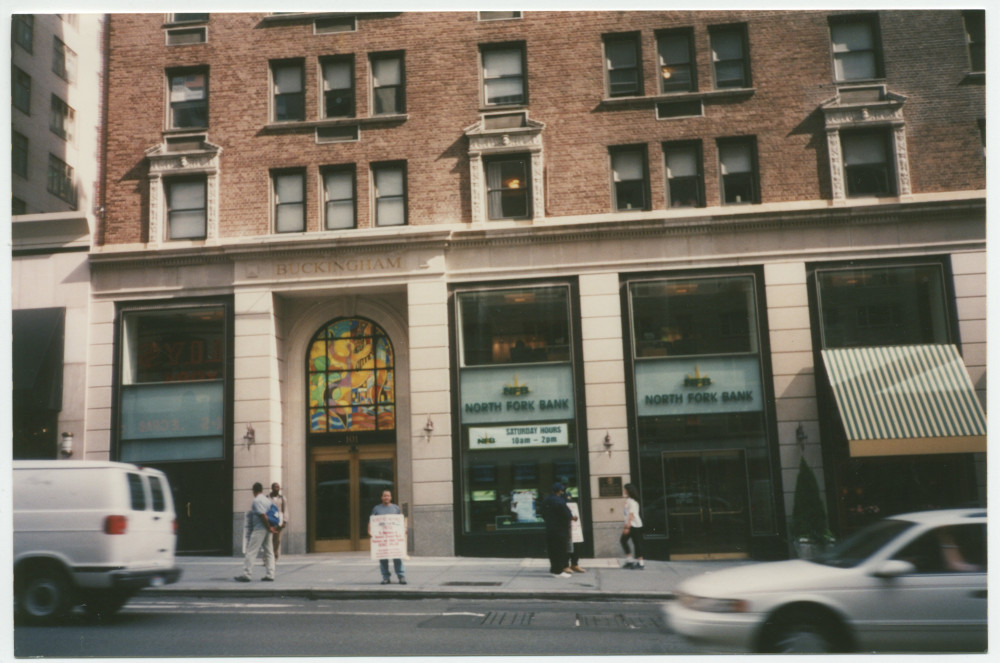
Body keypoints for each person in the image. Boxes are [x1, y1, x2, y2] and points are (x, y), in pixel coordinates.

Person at [235, 482, 277, 582]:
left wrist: (268, 527)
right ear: (261, 490)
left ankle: (247, 574)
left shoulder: (257, 501)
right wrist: (270, 528)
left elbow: (263, 516)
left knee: (251, 551)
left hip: (259, 529)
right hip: (267, 529)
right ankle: (270, 574)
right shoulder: (267, 500)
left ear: (254, 490)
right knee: (269, 552)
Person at [369, 489, 406, 585]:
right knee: (383, 557)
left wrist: (404, 529)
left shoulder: (396, 508)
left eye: (388, 496)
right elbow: (372, 521)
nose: (386, 497)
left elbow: (401, 520)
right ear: (382, 497)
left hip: (393, 538)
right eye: (384, 496)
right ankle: (386, 577)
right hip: (382, 538)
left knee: (397, 556)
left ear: (391, 497)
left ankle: (401, 576)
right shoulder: (376, 508)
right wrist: (369, 530)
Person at [541, 482, 576, 578]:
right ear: (560, 491)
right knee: (560, 550)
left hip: (550, 528)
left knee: (552, 551)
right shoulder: (560, 501)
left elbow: (543, 514)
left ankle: (553, 569)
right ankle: (558, 571)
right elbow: (567, 514)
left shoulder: (546, 500)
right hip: (560, 529)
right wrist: (573, 518)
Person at [621, 483, 645, 569]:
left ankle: (641, 563)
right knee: (623, 540)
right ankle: (630, 560)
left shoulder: (633, 502)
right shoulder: (629, 500)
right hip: (630, 524)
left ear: (628, 491)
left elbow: (631, 515)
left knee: (637, 543)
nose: (624, 490)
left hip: (635, 525)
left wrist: (627, 527)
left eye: (625, 489)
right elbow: (626, 514)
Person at [269, 482, 288, 561]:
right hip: (270, 521)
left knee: (277, 541)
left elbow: (285, 509)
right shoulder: (268, 498)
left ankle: (275, 557)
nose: (276, 488)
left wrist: (285, 521)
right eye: (275, 487)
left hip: (278, 521)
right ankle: (266, 558)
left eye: (278, 487)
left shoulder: (282, 498)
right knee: (269, 540)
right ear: (272, 488)